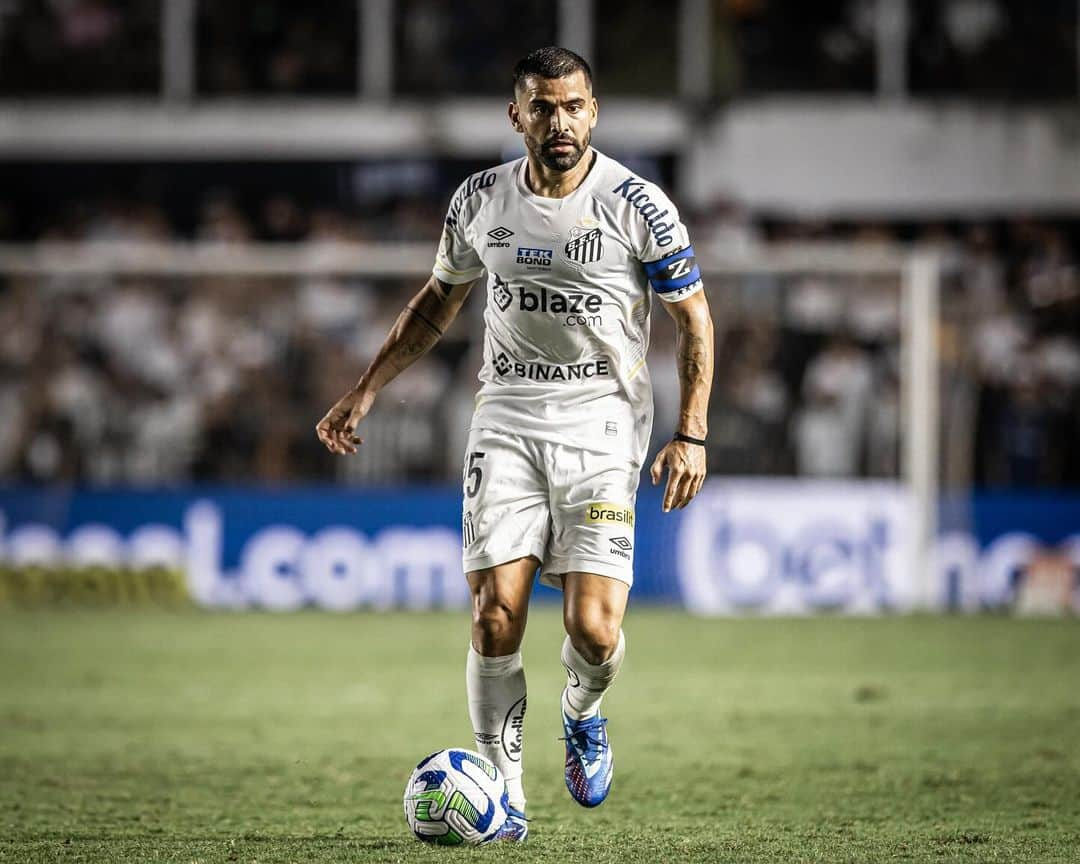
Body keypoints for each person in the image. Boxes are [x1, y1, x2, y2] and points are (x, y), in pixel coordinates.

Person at [317, 46, 713, 841]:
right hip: (505, 416)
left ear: (593, 113)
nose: (559, 122)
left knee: (593, 631)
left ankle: (582, 710)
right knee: (495, 612)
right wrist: (367, 387)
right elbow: (438, 301)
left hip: (603, 423)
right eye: (543, 107)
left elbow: (692, 321)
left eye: (573, 106)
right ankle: (504, 794)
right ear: (517, 115)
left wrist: (691, 433)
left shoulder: (638, 204)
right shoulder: (479, 201)